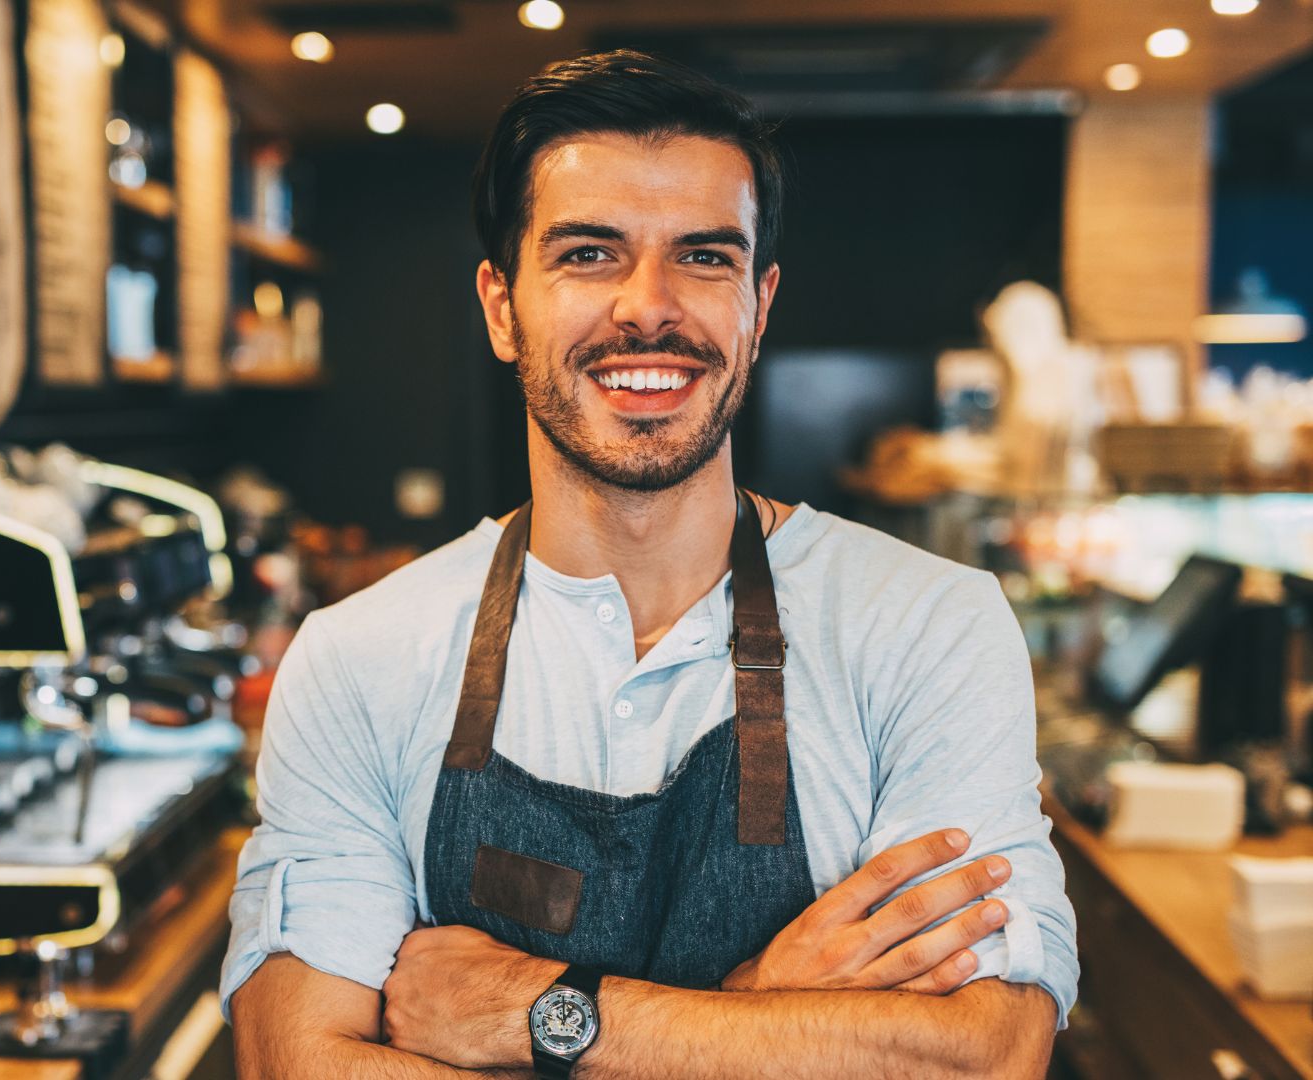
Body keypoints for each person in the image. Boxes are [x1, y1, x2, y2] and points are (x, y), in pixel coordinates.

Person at [224, 50, 1076, 1079]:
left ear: (758, 308)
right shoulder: (360, 657)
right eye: (589, 254)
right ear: (501, 307)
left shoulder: (927, 626)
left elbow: (982, 1058)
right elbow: (296, 1063)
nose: (649, 306)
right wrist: (756, 1016)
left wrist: (536, 1014)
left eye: (705, 258)